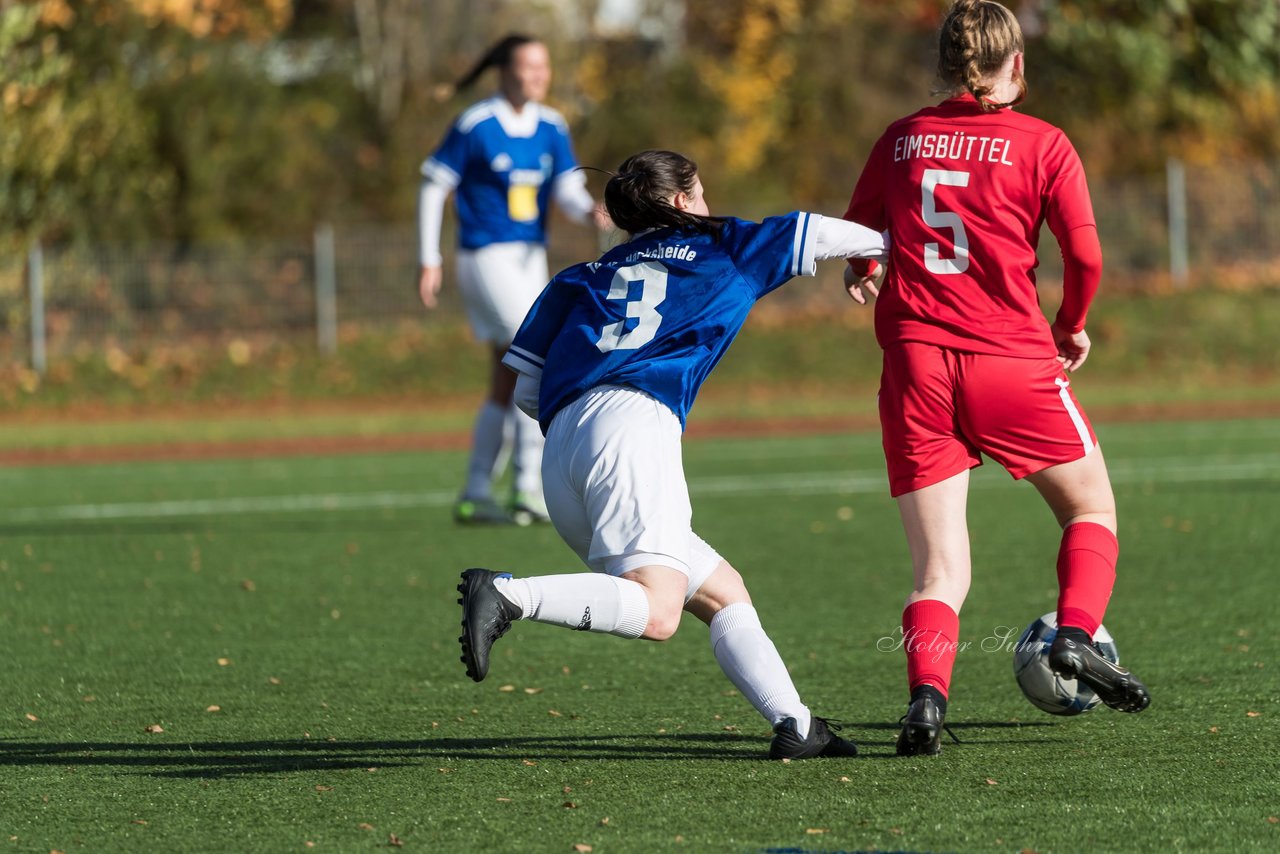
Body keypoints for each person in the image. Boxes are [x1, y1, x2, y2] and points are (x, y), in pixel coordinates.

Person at [457, 149, 885, 759]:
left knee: (721, 592)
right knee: (659, 612)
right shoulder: (723, 245)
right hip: (632, 428)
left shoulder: (581, 276)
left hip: (563, 453)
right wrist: (886, 246)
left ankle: (796, 724)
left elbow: (527, 388)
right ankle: (506, 594)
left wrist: (587, 429)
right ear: (682, 202)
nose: (709, 205)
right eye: (702, 194)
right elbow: (817, 231)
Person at [841, 0, 1151, 756]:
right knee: (1091, 511)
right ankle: (1075, 636)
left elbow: (860, 230)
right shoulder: (1043, 142)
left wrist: (868, 264)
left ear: (944, 66)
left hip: (916, 364)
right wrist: (1071, 322)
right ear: (1019, 63)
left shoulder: (903, 137)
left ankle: (925, 702)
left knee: (939, 569)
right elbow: (1086, 256)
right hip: (1009, 357)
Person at [418, 34, 607, 526]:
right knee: (535, 360)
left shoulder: (551, 125)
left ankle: (477, 490)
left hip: (529, 261)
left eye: (545, 66)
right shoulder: (477, 124)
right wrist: (428, 257)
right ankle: (526, 490)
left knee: (505, 377)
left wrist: (590, 211)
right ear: (505, 71)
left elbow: (567, 189)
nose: (540, 76)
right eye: (530, 66)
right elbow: (433, 184)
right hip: (484, 258)